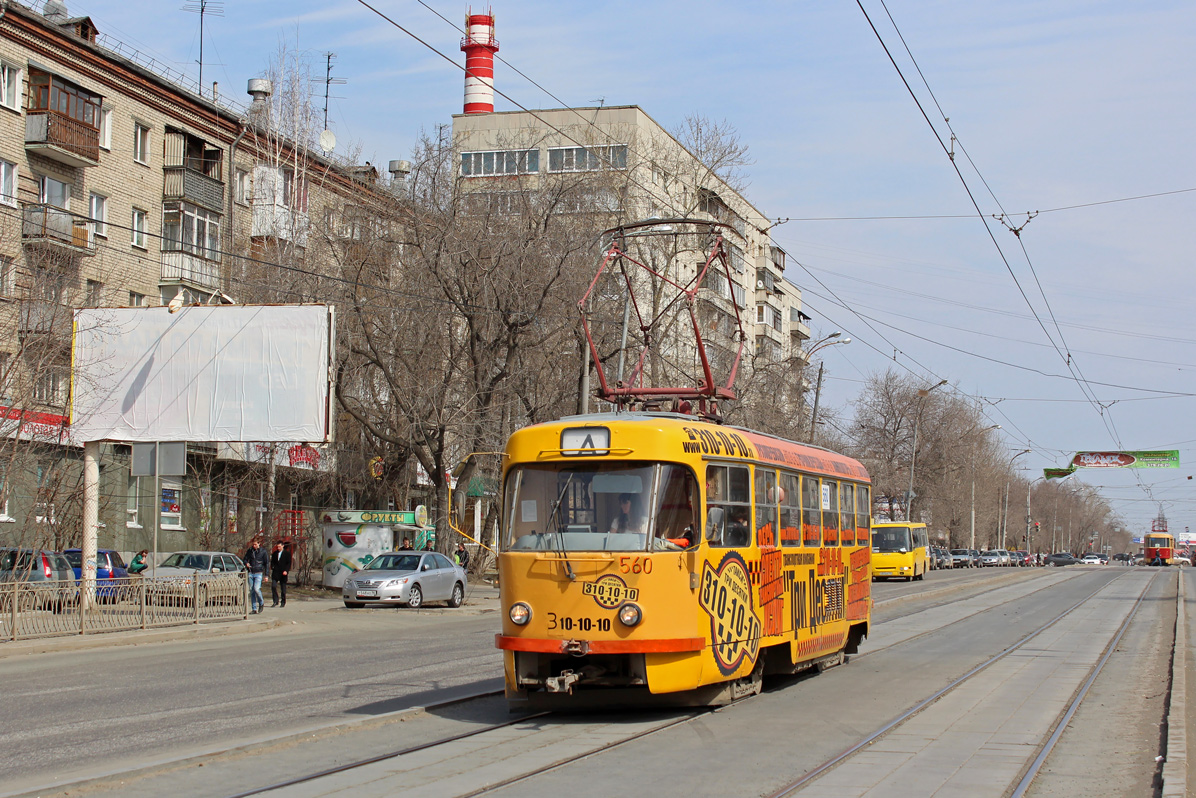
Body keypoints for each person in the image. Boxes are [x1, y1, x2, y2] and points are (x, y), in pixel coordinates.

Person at [244, 538, 268, 614]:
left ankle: (261, 603)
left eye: (255, 544)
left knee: (256, 589)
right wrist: (246, 563)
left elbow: (267, 563)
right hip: (251, 572)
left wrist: (266, 575)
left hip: (258, 572)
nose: (254, 546)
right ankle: (254, 608)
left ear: (259, 544)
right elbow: (245, 559)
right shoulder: (250, 551)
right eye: (253, 544)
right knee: (252, 591)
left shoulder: (263, 552)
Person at [270, 542, 292, 608]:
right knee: (273, 586)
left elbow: (289, 563)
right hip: (276, 572)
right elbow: (272, 562)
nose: (278, 548)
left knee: (283, 588)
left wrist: (286, 571)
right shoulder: (275, 553)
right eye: (277, 547)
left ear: (283, 546)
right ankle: (275, 601)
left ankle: (283, 601)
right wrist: (272, 567)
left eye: (279, 546)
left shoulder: (287, 554)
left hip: (283, 573)